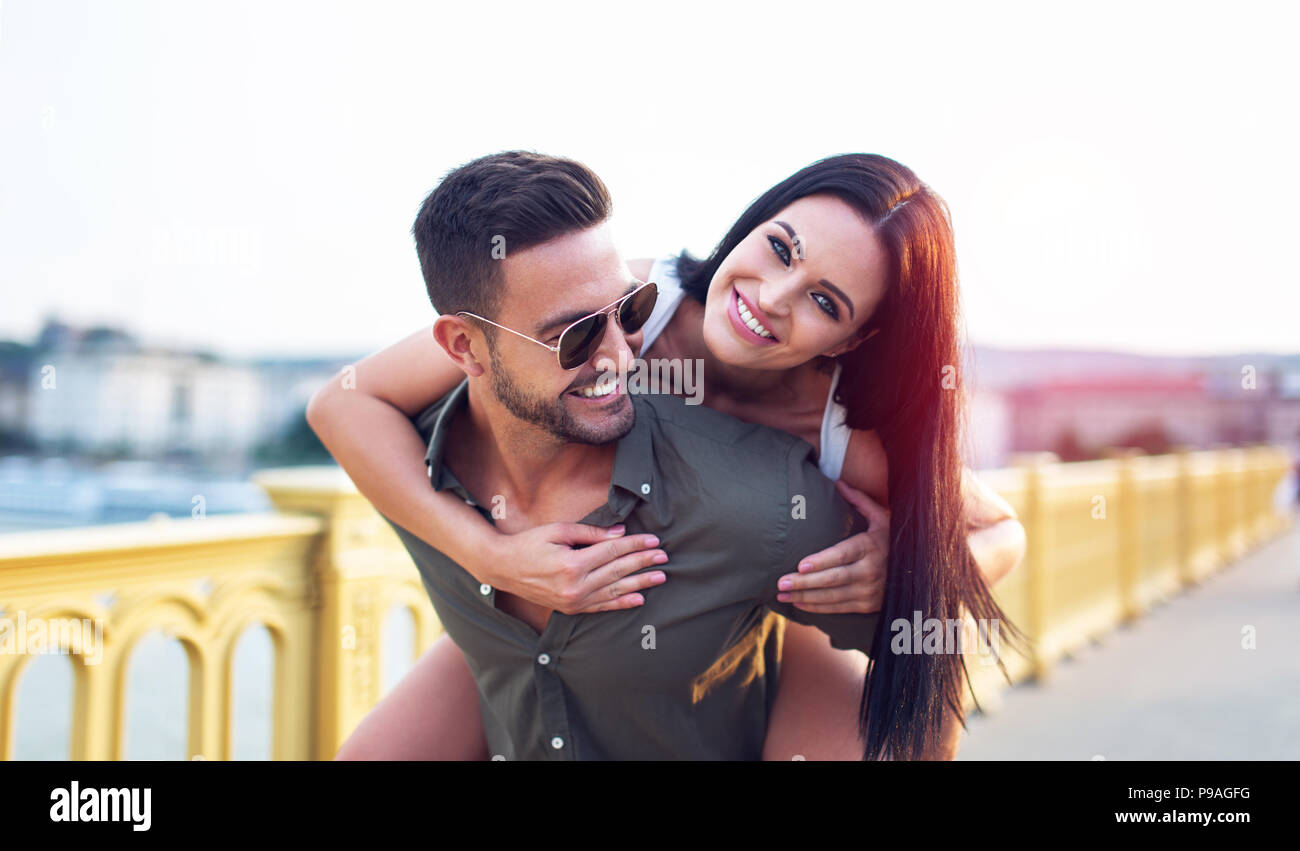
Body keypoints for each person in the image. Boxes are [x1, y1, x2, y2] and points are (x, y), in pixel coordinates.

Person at [308, 151, 1028, 760]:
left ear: (851, 340)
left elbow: (1000, 532)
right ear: (751, 224)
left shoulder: (841, 431)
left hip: (759, 595)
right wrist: (489, 555)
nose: (772, 298)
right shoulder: (634, 303)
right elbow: (344, 402)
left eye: (826, 302)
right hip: (557, 614)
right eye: (780, 248)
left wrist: (896, 563)